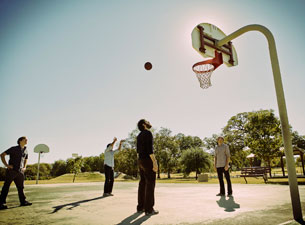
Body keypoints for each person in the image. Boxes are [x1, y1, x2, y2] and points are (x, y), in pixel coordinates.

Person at [0, 136, 32, 210]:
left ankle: (23, 201)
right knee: (6, 187)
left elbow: (26, 159)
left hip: (20, 172)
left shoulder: (25, 149)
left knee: (21, 188)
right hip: (12, 171)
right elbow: (2, 155)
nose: (27, 140)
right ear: (20, 141)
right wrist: (7, 165)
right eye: (25, 139)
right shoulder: (13, 148)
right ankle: (1, 203)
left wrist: (24, 167)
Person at [136, 119, 159, 216]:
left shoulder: (139, 136)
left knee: (142, 183)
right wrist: (154, 162)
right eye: (147, 121)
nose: (149, 122)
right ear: (144, 124)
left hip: (140, 160)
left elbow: (137, 151)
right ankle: (149, 209)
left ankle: (140, 207)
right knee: (150, 184)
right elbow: (150, 149)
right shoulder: (148, 133)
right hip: (147, 160)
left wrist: (140, 162)